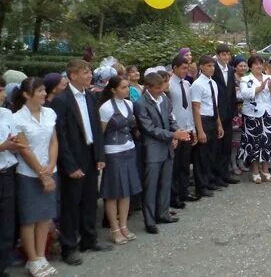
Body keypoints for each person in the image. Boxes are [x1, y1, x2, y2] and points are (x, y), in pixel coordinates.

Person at [52, 59, 110, 266]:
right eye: (85, 72)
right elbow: (61, 135)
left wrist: (100, 155)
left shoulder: (91, 97)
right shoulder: (61, 100)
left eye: (90, 72)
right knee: (70, 203)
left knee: (90, 199)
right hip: (73, 156)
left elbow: (96, 128)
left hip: (90, 152)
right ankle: (69, 247)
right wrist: (70, 165)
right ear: (73, 75)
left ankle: (89, 238)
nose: (89, 75)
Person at [12, 77, 59, 277]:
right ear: (26, 94)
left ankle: (41, 256)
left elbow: (54, 141)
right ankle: (32, 259)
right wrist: (42, 173)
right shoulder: (17, 118)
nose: (43, 94)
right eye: (39, 91)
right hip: (28, 174)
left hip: (50, 169)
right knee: (29, 218)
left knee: (45, 216)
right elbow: (25, 150)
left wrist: (50, 166)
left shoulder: (49, 113)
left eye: (43, 90)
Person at [135, 73, 190, 234]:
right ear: (148, 87)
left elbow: (170, 119)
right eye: (157, 88)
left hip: (166, 147)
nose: (161, 90)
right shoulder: (141, 104)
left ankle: (163, 213)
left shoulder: (164, 99)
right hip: (152, 148)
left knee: (166, 182)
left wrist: (177, 130)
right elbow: (149, 128)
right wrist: (173, 135)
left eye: (162, 87)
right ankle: (150, 220)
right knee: (151, 185)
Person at [98, 76, 142, 245]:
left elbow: (132, 127)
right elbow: (100, 134)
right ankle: (114, 228)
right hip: (113, 151)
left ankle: (123, 225)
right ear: (113, 89)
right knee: (113, 191)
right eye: (123, 87)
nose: (127, 90)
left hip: (129, 149)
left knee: (126, 190)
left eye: (127, 87)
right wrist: (100, 157)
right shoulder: (106, 108)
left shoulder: (129, 104)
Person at [238, 56, 271, 184]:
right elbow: (245, 94)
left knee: (267, 142)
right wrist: (260, 88)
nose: (259, 66)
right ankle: (255, 171)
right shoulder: (245, 79)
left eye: (260, 64)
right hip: (252, 115)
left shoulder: (269, 77)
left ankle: (265, 170)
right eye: (256, 64)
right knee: (254, 142)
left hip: (268, 113)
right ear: (250, 66)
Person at [190, 55, 224, 199]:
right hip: (202, 121)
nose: (212, 68)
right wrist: (200, 130)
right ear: (201, 67)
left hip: (212, 119)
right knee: (201, 155)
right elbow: (196, 108)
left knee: (211, 153)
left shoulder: (213, 83)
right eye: (209, 66)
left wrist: (219, 124)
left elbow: (214, 105)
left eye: (213, 66)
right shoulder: (197, 85)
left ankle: (209, 180)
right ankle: (201, 186)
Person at [168, 56, 198, 208]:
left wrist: (192, 129)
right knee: (175, 164)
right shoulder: (169, 85)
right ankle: (174, 196)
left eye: (187, 68)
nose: (186, 71)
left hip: (187, 127)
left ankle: (184, 191)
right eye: (183, 68)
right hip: (176, 129)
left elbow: (190, 109)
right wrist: (174, 130)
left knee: (185, 163)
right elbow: (169, 109)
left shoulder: (187, 84)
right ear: (174, 68)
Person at [0, 77, 22, 277]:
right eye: (0, 90)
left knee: (7, 221)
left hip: (7, 172)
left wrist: (13, 144)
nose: (3, 95)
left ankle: (3, 264)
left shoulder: (6, 114)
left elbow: (15, 139)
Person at [212, 44, 239, 186]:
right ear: (217, 55)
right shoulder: (213, 69)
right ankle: (216, 176)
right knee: (217, 146)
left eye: (228, 54)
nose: (226, 57)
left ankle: (225, 173)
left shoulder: (229, 69)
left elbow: (232, 92)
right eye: (223, 54)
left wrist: (234, 109)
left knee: (227, 146)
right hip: (217, 113)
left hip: (228, 111)